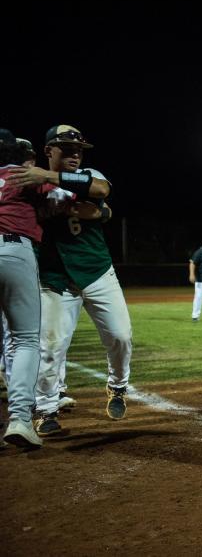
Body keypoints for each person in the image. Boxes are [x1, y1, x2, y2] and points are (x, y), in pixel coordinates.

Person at [9, 125, 132, 436]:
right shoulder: (29, 183)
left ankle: (117, 386)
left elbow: (102, 191)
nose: (75, 154)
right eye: (66, 148)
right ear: (49, 150)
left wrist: (48, 177)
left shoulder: (86, 174)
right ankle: (46, 409)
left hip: (96, 270)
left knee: (120, 336)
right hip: (54, 277)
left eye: (78, 149)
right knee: (49, 347)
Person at [0, 130, 44, 448]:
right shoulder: (21, 174)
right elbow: (74, 195)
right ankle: (20, 418)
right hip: (14, 249)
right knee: (26, 339)